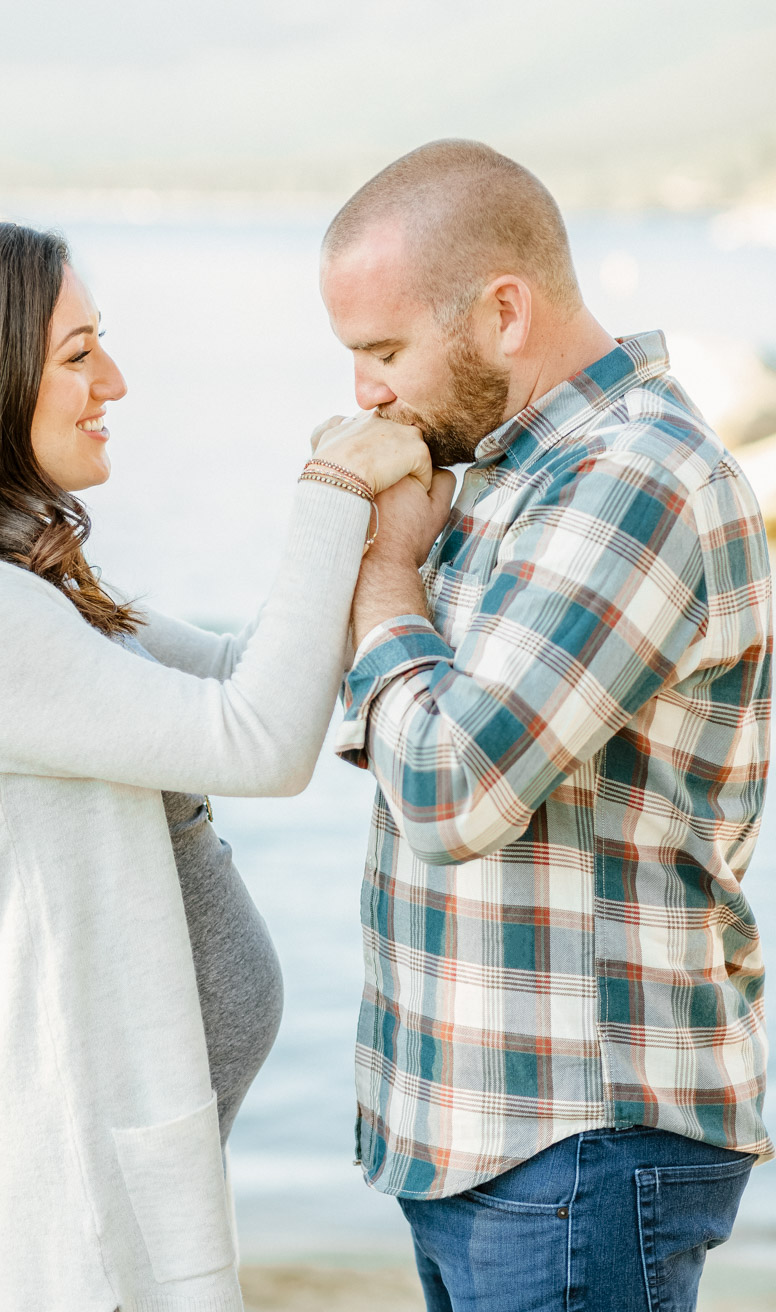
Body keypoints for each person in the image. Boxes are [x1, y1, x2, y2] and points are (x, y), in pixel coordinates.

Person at [0, 218, 433, 1312]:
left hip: (116, 1172)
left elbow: (246, 677)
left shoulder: (11, 581)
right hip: (67, 1205)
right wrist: (332, 487)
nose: (118, 381)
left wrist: (388, 539)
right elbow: (259, 742)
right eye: (79, 353)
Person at [316, 140, 772, 1312]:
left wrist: (385, 571)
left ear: (503, 312)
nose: (363, 390)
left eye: (382, 351)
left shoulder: (631, 476)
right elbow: (384, 715)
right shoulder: (509, 472)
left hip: (576, 1137)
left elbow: (451, 787)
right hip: (486, 1135)